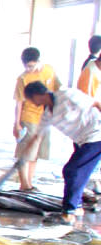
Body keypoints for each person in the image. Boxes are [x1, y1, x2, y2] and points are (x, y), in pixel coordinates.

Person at [22, 81, 101, 224]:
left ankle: (69, 212)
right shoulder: (47, 113)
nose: (32, 103)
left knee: (73, 170)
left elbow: (95, 103)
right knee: (76, 172)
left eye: (31, 100)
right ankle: (75, 207)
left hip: (96, 135)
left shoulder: (66, 95)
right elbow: (37, 136)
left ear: (37, 95)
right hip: (82, 140)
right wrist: (24, 155)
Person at [13, 47, 62, 191]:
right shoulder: (23, 78)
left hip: (45, 118)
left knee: (36, 154)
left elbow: (59, 89)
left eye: (31, 66)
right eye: (26, 66)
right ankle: (24, 184)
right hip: (29, 118)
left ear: (39, 61)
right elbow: (19, 102)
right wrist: (17, 124)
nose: (28, 69)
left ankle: (29, 183)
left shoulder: (49, 71)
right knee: (25, 152)